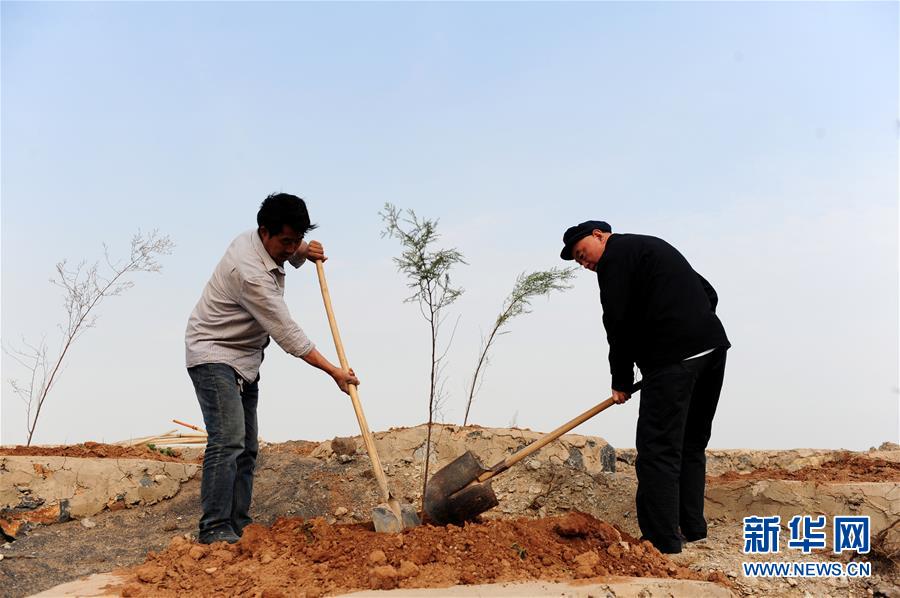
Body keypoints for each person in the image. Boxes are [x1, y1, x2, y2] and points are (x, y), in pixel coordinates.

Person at [185, 192, 359, 545]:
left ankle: (238, 525)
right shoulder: (249, 273)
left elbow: (290, 248)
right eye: (286, 241)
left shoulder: (262, 241)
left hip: (246, 357)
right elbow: (288, 333)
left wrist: (303, 251)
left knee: (247, 447)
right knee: (228, 440)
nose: (291, 246)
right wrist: (334, 372)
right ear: (264, 232)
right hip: (213, 353)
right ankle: (214, 527)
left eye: (296, 239)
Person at [560, 220, 730, 554]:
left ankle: (661, 541)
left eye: (582, 254)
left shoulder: (615, 258)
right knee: (691, 443)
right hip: (711, 350)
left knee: (657, 449)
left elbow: (617, 321)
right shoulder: (651, 246)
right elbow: (707, 290)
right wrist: (692, 326)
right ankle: (693, 529)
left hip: (673, 361)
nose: (584, 263)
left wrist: (621, 379)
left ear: (599, 236)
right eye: (578, 262)